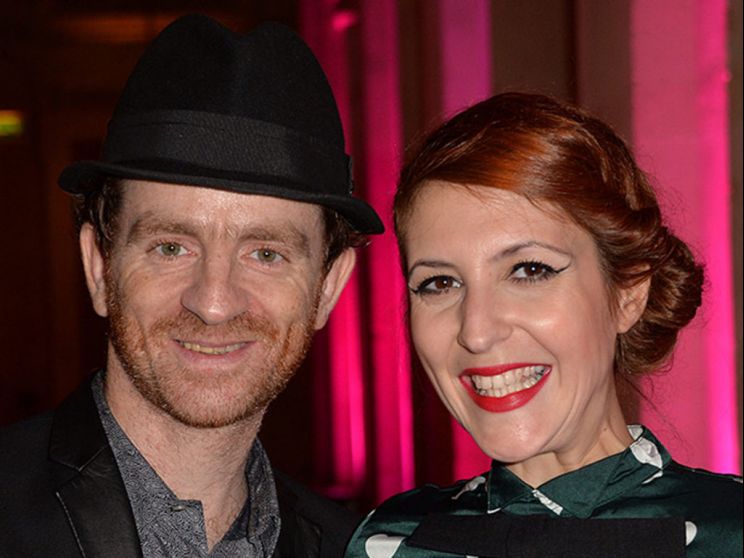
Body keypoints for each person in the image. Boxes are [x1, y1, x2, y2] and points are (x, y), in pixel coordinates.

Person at [0, 14, 383, 558]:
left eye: (266, 254)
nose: (214, 302)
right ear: (99, 266)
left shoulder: (355, 550)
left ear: (328, 287)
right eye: (171, 247)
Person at [346, 92, 742, 558]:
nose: (477, 332)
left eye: (530, 270)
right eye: (439, 283)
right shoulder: (390, 540)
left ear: (628, 293)